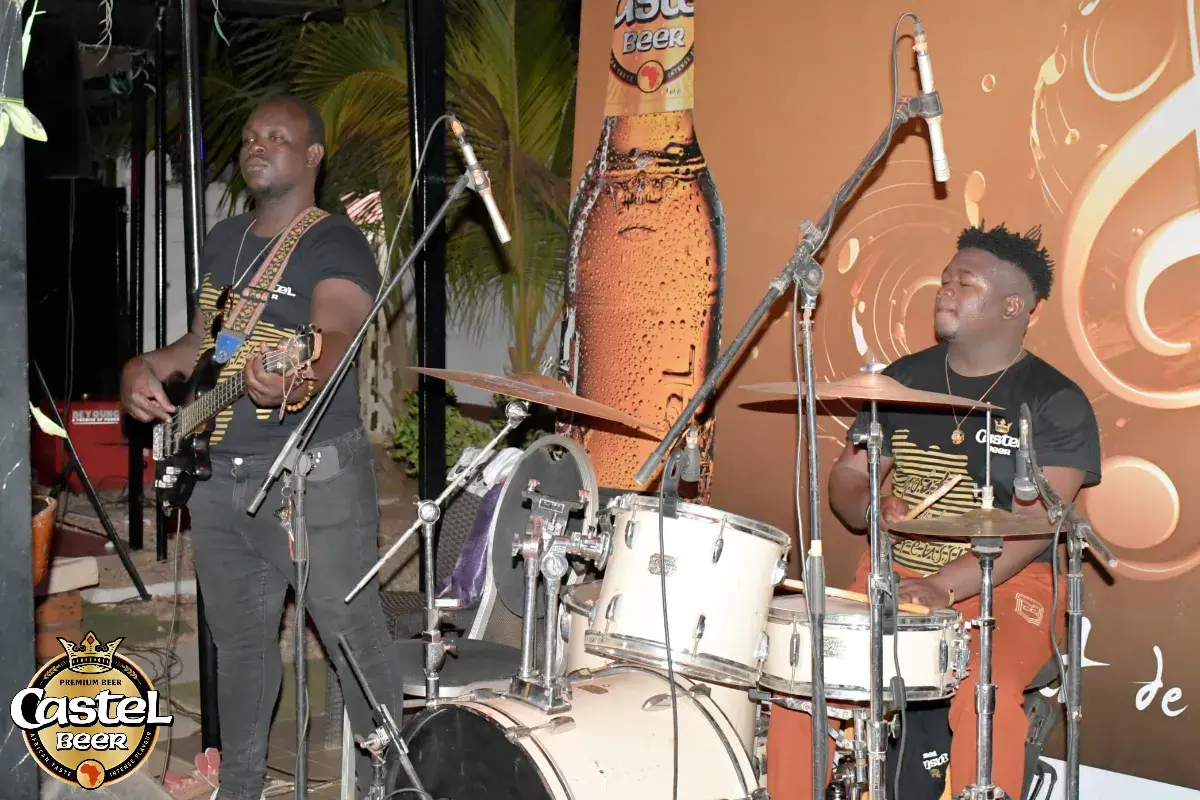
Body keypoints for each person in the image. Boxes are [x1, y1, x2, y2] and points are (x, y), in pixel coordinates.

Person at [120, 96, 402, 800]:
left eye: (277, 136)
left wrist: (295, 374)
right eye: (250, 135)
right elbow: (206, 346)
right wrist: (143, 366)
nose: (257, 144)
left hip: (310, 477)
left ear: (312, 156)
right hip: (218, 477)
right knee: (241, 646)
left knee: (353, 639)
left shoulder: (335, 242)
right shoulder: (224, 240)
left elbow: (335, 333)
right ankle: (240, 787)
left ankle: (388, 787)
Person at [766, 223, 1101, 799]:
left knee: (984, 690)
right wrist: (871, 503)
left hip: (1008, 587)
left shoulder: (1055, 400)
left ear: (1013, 306)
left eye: (965, 283)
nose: (945, 289)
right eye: (945, 279)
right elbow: (848, 477)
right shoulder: (902, 380)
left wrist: (946, 585)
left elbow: (1039, 524)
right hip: (892, 575)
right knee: (805, 680)